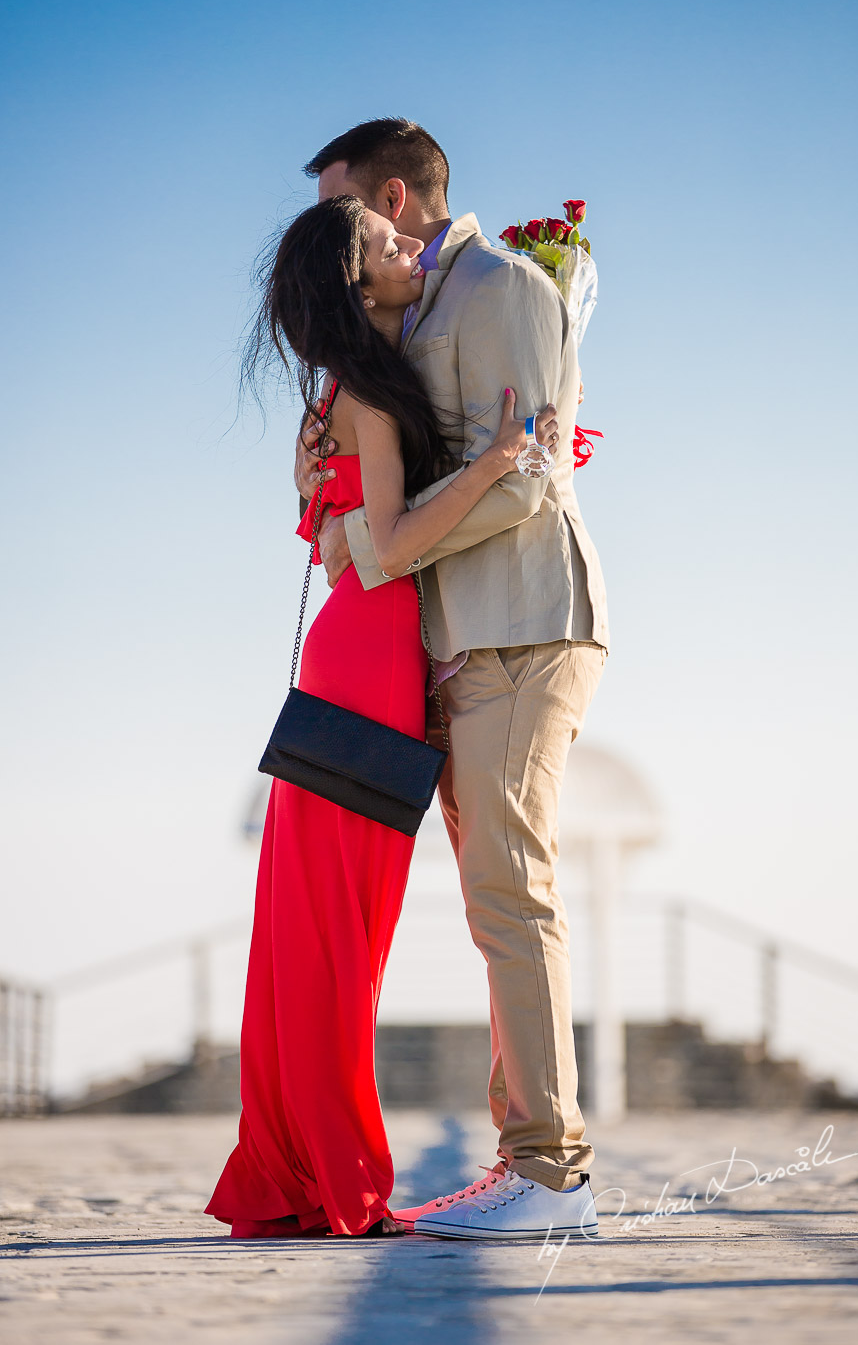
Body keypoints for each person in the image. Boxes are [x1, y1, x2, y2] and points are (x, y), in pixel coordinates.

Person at [204, 193, 559, 1239]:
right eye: (392, 243)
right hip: (368, 667)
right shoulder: (361, 392)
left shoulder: (333, 398)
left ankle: (307, 1168)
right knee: (340, 941)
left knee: (320, 934)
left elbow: (334, 531)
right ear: (359, 283)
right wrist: (500, 462)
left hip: (352, 661)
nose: (415, 248)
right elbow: (395, 545)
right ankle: (334, 1177)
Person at [295, 119, 610, 1240]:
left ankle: (551, 1176)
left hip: (524, 628)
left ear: (392, 197)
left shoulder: (505, 287)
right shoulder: (410, 316)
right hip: (453, 642)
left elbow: (526, 481)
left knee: (510, 892)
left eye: (351, 215)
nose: (347, 239)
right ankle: (522, 1159)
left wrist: (381, 546)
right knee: (493, 904)